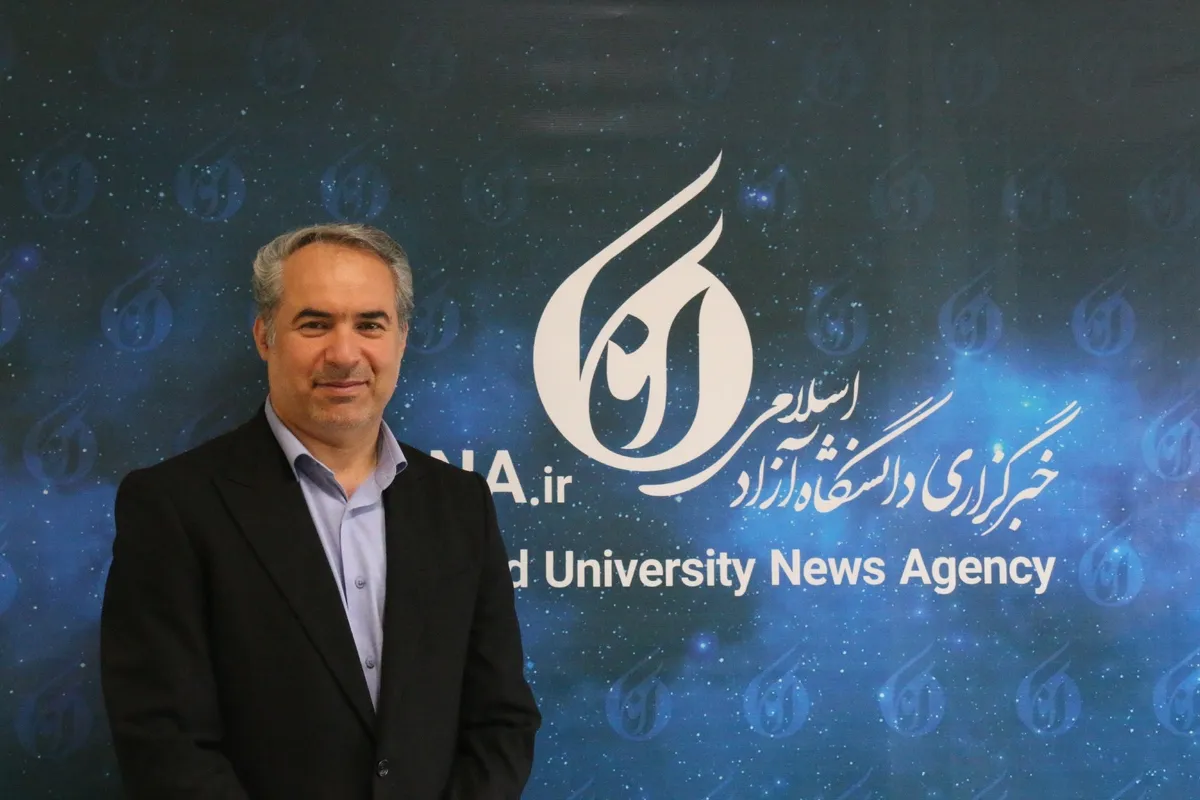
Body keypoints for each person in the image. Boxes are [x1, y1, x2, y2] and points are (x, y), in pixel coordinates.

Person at [100, 223, 541, 799]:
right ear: (264, 336)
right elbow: (163, 741)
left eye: (370, 324)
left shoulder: (461, 504)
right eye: (314, 324)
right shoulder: (174, 505)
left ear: (402, 338)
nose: (344, 353)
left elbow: (501, 720)